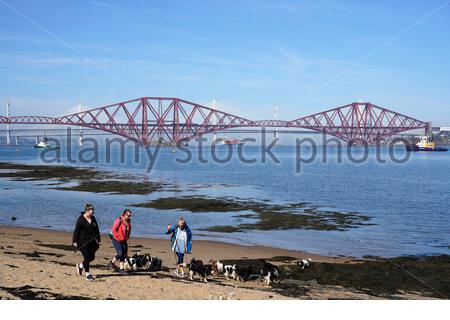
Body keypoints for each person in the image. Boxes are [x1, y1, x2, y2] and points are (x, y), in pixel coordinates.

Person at [72, 203, 101, 281]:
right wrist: (74, 241)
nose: (92, 213)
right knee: (87, 257)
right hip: (82, 242)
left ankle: (81, 266)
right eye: (91, 211)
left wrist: (98, 240)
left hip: (92, 242)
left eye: (93, 212)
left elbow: (97, 229)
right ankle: (88, 274)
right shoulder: (80, 219)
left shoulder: (93, 218)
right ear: (87, 211)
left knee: (92, 257)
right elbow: (76, 231)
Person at [108, 209, 132, 275]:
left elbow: (128, 230)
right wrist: (119, 236)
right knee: (120, 254)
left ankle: (116, 266)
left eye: (130, 216)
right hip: (116, 239)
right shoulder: (119, 220)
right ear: (124, 214)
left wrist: (127, 238)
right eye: (128, 215)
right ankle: (116, 266)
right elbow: (113, 230)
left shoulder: (129, 221)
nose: (129, 217)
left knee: (124, 254)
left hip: (124, 240)